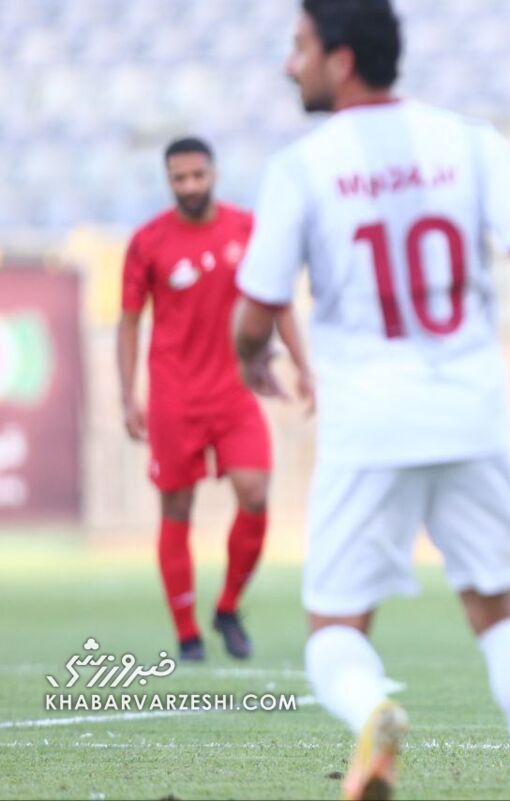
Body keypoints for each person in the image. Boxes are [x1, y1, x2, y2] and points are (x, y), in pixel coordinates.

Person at [232, 2, 510, 799]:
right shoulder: (470, 144)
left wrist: (254, 356)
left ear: (342, 60)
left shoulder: (303, 166)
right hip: (468, 412)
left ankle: (374, 707)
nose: (292, 65)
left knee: (334, 634)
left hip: (367, 423)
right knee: (498, 610)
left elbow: (256, 308)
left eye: (300, 48)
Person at [118, 136, 312, 662]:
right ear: (169, 182)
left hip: (233, 391)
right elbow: (130, 320)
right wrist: (127, 394)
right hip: (174, 396)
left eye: (197, 176)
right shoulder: (148, 242)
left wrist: (301, 363)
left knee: (254, 491)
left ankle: (227, 606)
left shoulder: (246, 230)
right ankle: (186, 634)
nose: (189, 187)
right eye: (179, 179)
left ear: (214, 173)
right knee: (176, 505)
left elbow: (278, 301)